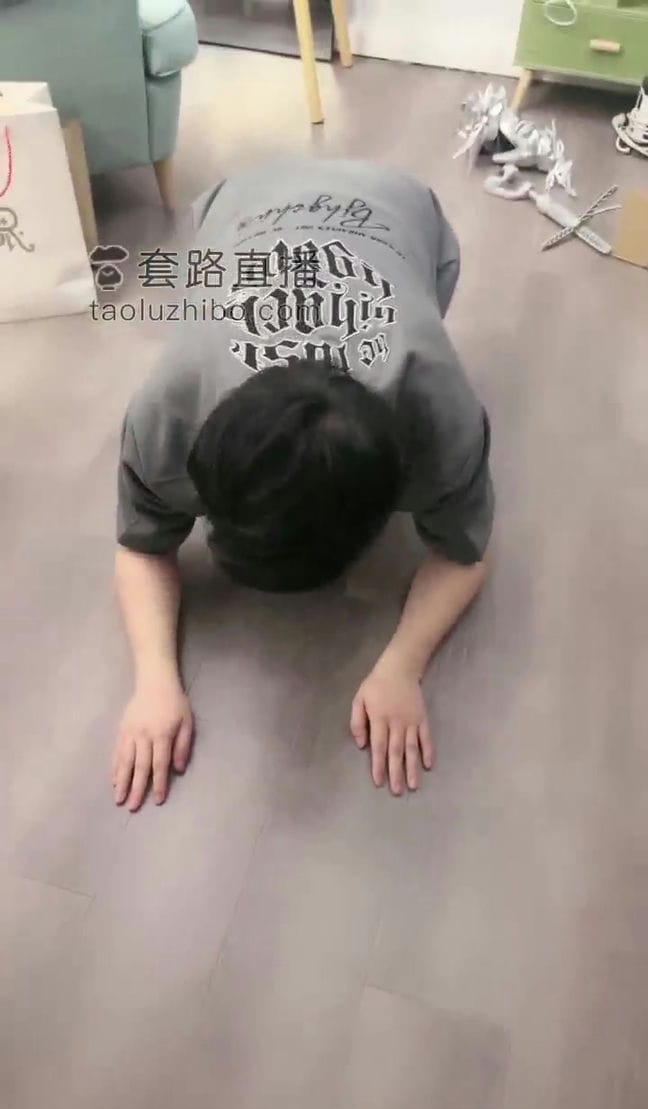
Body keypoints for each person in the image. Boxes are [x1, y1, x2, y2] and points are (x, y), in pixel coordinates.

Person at [112, 157, 493, 811]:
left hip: (399, 204)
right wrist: (153, 682)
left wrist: (402, 667)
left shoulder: (437, 407)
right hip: (244, 196)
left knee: (419, 294)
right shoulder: (170, 409)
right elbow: (140, 545)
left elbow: (465, 552)